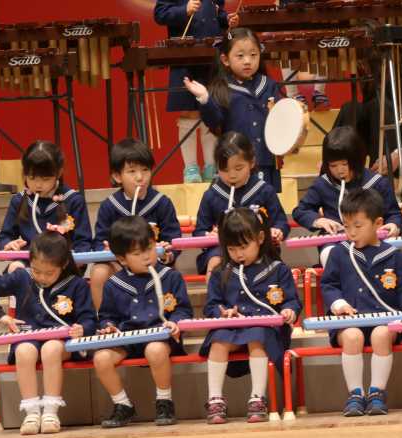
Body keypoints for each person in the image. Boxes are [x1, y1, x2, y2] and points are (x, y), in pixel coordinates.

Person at [0, 231, 97, 435]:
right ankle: (31, 413)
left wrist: (82, 328)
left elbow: (89, 319)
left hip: (61, 341)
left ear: (64, 264)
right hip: (28, 337)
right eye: (36, 270)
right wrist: (2, 316)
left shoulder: (76, 284)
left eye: (49, 273)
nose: (41, 277)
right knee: (23, 351)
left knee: (51, 349)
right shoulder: (23, 277)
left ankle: (50, 412)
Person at [199, 207, 301, 424]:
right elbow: (211, 306)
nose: (238, 254)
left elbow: (292, 300)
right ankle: (215, 399)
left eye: (244, 247)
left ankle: (257, 398)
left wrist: (289, 310)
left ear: (260, 238)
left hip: (266, 331)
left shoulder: (278, 269)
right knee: (218, 341)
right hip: (233, 329)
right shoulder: (221, 272)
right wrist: (223, 313)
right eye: (232, 248)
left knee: (257, 337)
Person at [321, 188, 402, 416]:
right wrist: (339, 305)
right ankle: (355, 394)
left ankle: (376, 393)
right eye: (346, 226)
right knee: (352, 336)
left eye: (358, 226)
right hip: (349, 320)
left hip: (385, 319)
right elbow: (329, 285)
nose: (351, 232)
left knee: (381, 334)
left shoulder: (395, 256)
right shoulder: (339, 253)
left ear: (378, 223)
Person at [93, 216, 193, 428]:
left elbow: (183, 309)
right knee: (101, 358)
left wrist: (176, 322)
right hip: (127, 341)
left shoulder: (171, 276)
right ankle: (123, 404)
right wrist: (108, 327)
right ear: (122, 259)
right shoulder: (113, 284)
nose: (146, 256)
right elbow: (107, 316)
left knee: (155, 350)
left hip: (162, 338)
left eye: (149, 248)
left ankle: (164, 401)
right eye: (137, 254)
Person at [183, 27, 283, 192]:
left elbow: (281, 118)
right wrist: (204, 99)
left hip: (266, 162)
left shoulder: (269, 85)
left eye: (253, 55)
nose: (247, 61)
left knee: (266, 204)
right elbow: (214, 122)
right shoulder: (221, 89)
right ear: (225, 59)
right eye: (240, 56)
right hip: (234, 166)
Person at [292, 126, 402, 267]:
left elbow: (394, 214)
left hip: (372, 240)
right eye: (333, 166)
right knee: (330, 255)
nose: (340, 170)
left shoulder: (377, 183)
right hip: (336, 242)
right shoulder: (323, 184)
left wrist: (393, 225)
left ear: (357, 159)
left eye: (345, 164)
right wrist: (318, 221)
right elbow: (300, 211)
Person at [91, 138, 182, 309]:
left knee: (173, 273)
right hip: (121, 266)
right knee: (99, 272)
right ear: (117, 176)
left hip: (153, 263)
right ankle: (104, 321)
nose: (140, 177)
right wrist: (106, 249)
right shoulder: (109, 206)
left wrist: (166, 252)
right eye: (132, 171)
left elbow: (173, 239)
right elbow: (99, 242)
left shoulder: (161, 203)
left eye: (145, 170)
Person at [154, 0, 239, 182]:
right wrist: (184, 10)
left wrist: (226, 19)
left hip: (211, 58)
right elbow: (160, 14)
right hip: (184, 58)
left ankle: (211, 166)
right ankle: (190, 168)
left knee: (211, 111)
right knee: (189, 113)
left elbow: (217, 12)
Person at [193, 131, 289, 276]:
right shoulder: (211, 195)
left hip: (260, 249)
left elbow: (281, 222)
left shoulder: (264, 191)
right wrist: (209, 235)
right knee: (215, 262)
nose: (232, 175)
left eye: (238, 168)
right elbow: (199, 232)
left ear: (252, 162)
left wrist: (277, 231)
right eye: (224, 170)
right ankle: (215, 291)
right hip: (223, 249)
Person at [0, 140, 92, 272]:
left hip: (63, 264)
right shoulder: (18, 200)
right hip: (30, 262)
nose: (38, 185)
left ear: (59, 173)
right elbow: (4, 238)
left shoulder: (73, 200)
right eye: (31, 178)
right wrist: (9, 245)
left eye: (45, 179)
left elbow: (83, 242)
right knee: (15, 268)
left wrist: (76, 260)